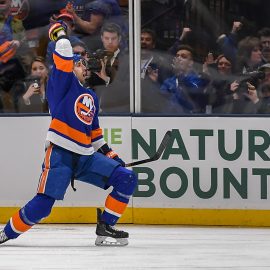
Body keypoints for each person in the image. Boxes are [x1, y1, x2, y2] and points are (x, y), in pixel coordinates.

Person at [0, 20, 137, 246]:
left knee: (126, 178)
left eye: (84, 64)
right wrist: (60, 30)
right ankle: (7, 232)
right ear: (68, 67)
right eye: (80, 64)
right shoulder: (61, 82)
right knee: (44, 205)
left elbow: (95, 136)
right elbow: (63, 50)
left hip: (85, 157)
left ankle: (106, 226)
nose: (85, 67)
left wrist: (113, 157)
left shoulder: (91, 96)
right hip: (60, 155)